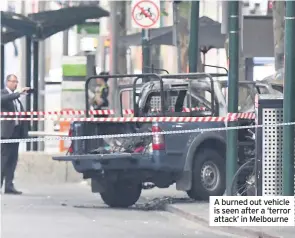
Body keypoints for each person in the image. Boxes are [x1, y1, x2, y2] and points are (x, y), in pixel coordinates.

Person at [1, 74, 30, 194]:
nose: (15, 84)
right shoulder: (3, 93)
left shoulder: (16, 99)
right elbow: (3, 100)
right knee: (3, 159)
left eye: (16, 82)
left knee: (13, 160)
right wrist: (18, 93)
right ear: (7, 82)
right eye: (13, 81)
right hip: (6, 133)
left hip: (16, 132)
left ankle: (9, 185)